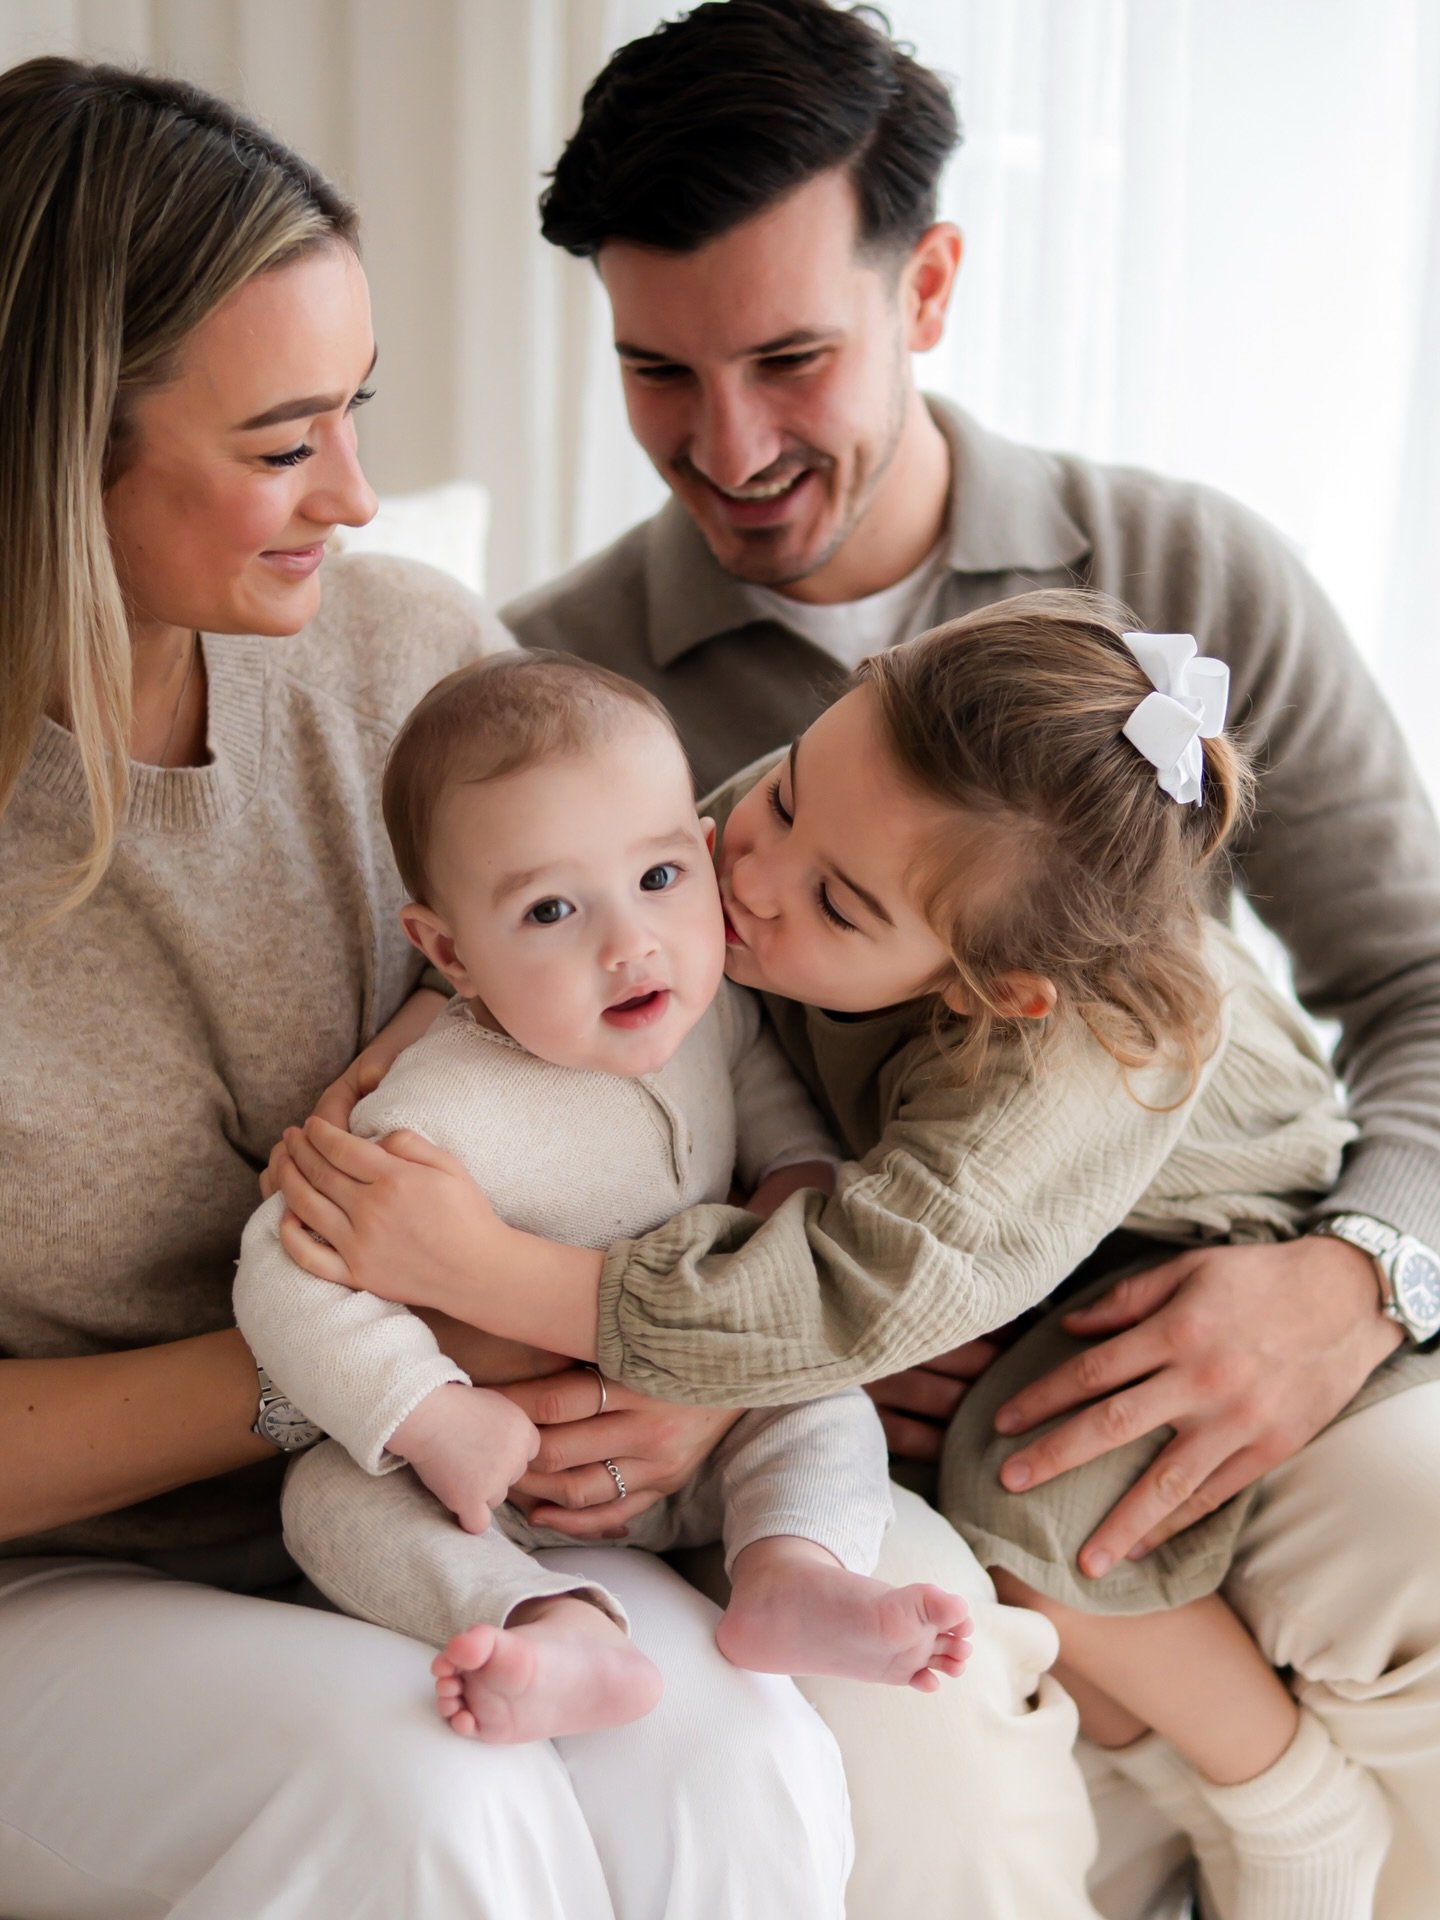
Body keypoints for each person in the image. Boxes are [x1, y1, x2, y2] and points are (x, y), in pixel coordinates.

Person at [286, 5, 1440, 1916]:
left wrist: (1358, 1276)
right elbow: (500, 1035)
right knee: (927, 1700)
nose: (726, 449)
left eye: (791, 358)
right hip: (832, 1381)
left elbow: (1421, 978)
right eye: (659, 371)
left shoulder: (1184, 585)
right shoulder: (572, 700)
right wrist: (694, 1373)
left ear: (935, 287)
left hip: (1235, 1284)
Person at [0, 57, 853, 1920]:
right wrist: (374, 1377)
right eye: (284, 441)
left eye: (356, 411)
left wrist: (696, 1383)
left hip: (433, 1515)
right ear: (55, 446)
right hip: (56, 1579)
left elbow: (673, 1040)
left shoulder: (408, 664)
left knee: (732, 1745)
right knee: (417, 1802)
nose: (362, 495)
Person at [235, 647, 969, 1747]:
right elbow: (283, 1277)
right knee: (327, 1504)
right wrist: (432, 1418)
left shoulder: (704, 1003)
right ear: (450, 952)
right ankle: (549, 1628)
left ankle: (790, 1575)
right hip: (499, 1479)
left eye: (659, 880)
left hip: (707, 1434)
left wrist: (797, 1177)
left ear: (703, 856)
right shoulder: (434, 1112)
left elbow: (755, 1080)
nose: (628, 944)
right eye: (548, 913)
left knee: (819, 1403)